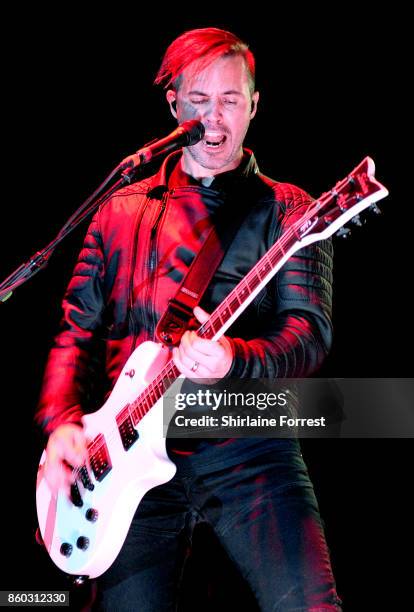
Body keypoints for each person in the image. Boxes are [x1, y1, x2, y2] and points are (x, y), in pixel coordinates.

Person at [36, 27, 342, 611]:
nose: (215, 119)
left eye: (230, 100)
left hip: (248, 447)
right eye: (199, 102)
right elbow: (74, 330)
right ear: (173, 106)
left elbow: (310, 334)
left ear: (254, 104)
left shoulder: (291, 209)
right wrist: (62, 422)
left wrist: (236, 358)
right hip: (122, 461)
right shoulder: (119, 211)